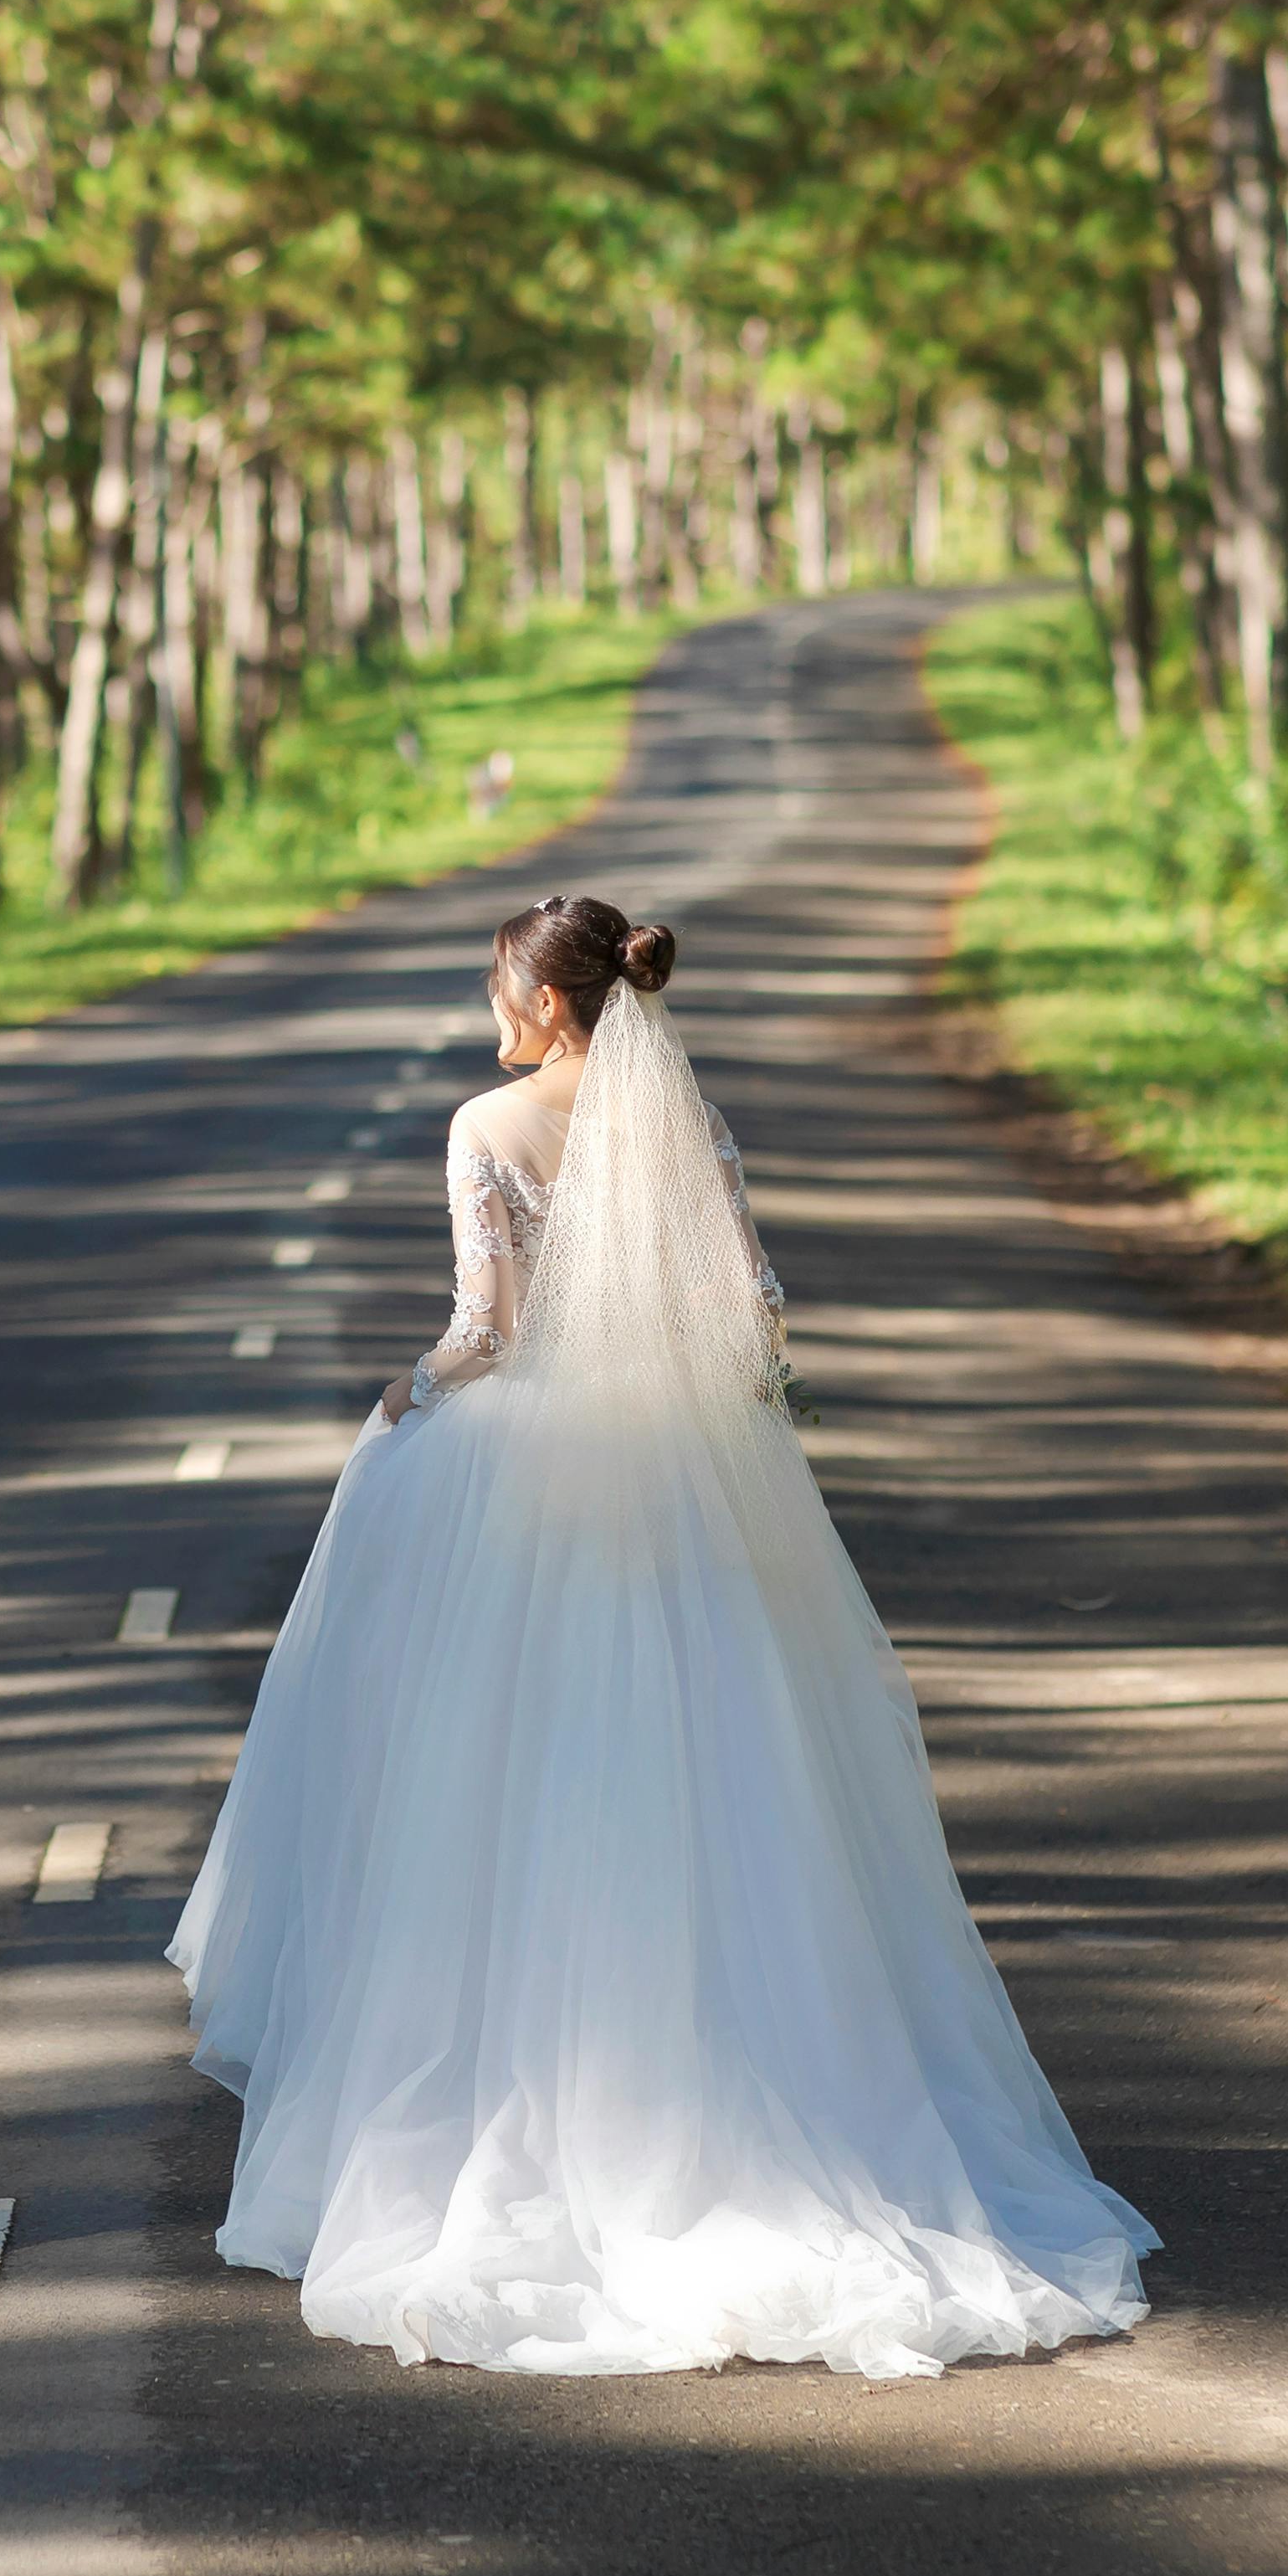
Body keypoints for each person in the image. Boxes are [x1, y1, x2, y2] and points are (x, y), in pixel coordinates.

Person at [170, 893, 1157, 2376]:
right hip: (682, 1483)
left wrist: (402, 1399)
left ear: (550, 1006)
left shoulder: (484, 1126)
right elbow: (755, 1319)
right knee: (716, 1781)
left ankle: (510, 2108)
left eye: (504, 989)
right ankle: (761, 2092)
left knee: (498, 1795)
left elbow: (488, 1328)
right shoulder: (684, 1122)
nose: (492, 1010)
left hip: (521, 1487)